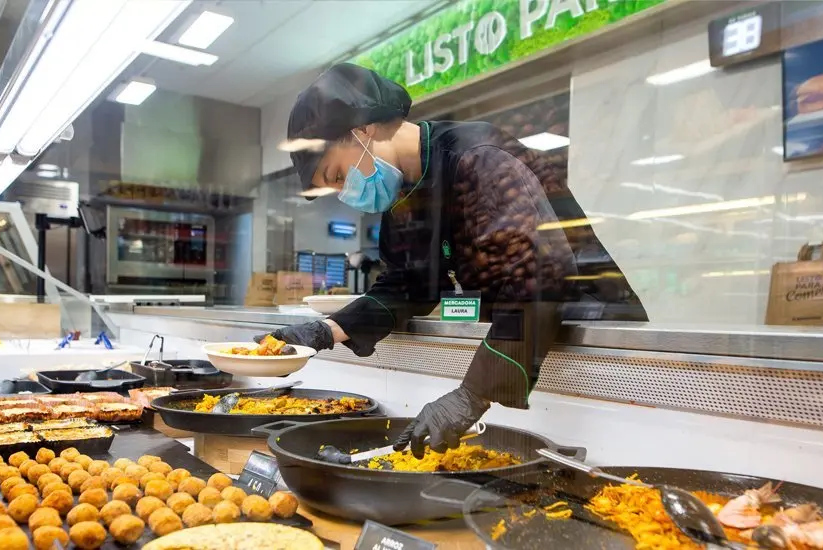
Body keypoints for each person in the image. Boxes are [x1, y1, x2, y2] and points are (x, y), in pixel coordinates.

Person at [261, 63, 645, 458]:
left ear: (364, 131)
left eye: (338, 175)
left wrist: (472, 395)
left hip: (596, 342)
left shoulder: (478, 159)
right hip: (526, 348)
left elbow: (534, 280)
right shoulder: (404, 196)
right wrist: (328, 330)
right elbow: (407, 285)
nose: (347, 194)